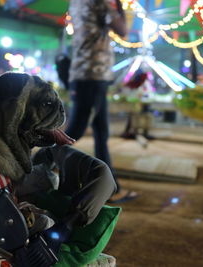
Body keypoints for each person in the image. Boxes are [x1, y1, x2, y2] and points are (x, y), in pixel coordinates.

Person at [66, 0, 138, 203]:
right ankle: (33, 167)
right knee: (74, 132)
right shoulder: (100, 2)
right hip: (93, 74)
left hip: (86, 73)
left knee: (101, 133)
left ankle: (110, 188)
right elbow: (123, 29)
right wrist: (118, 4)